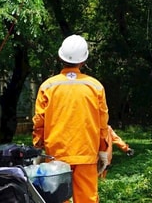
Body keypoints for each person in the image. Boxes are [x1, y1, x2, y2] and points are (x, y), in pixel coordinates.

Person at [33, 34, 110, 203]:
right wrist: (103, 150)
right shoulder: (95, 86)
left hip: (56, 156)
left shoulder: (48, 86)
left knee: (57, 198)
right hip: (86, 154)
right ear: (84, 60)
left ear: (61, 58)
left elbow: (39, 121)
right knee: (87, 199)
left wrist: (38, 148)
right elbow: (102, 123)